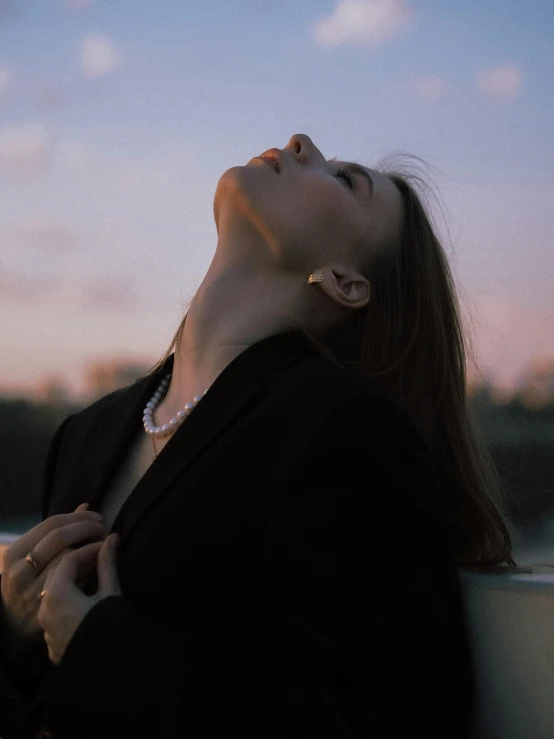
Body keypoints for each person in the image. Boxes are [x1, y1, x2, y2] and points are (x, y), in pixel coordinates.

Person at [0, 133, 516, 739]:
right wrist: (12, 631)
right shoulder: (85, 433)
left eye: (346, 180)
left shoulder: (347, 433)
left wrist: (110, 654)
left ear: (348, 282)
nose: (301, 142)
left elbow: (398, 721)